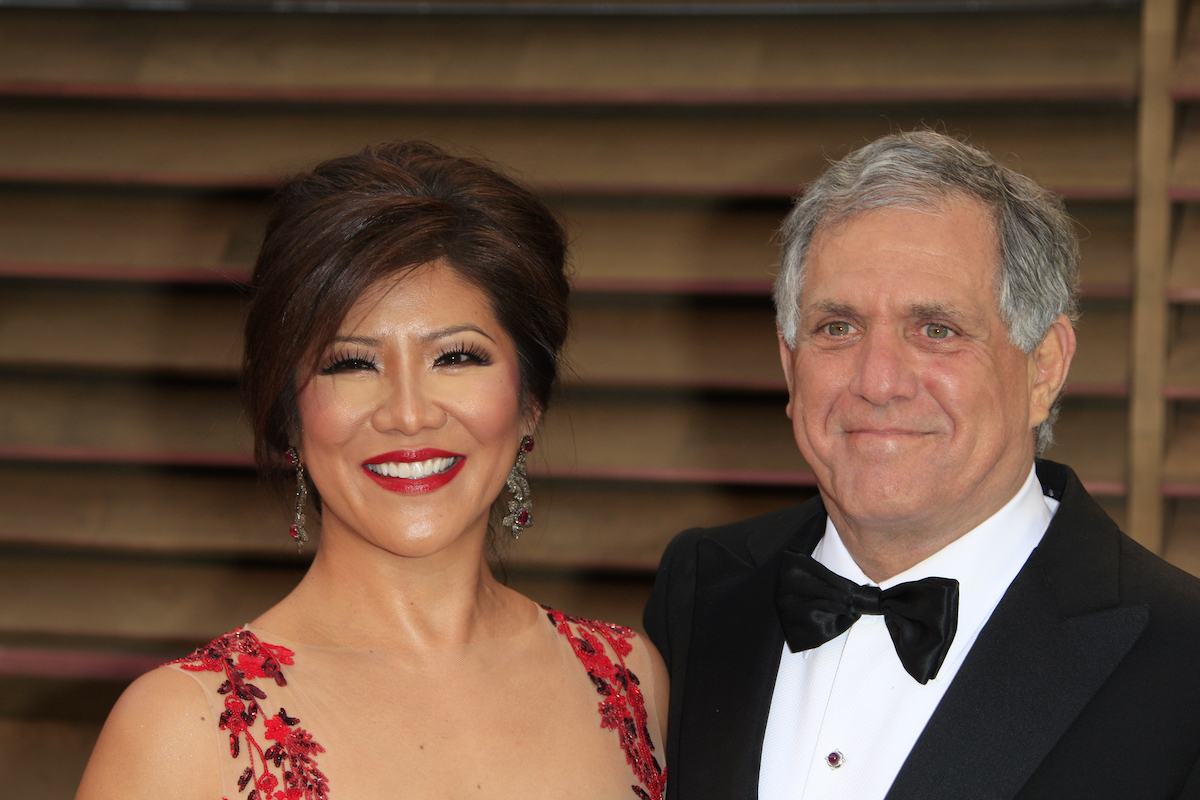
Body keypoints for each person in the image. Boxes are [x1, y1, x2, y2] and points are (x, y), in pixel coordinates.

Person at [76, 141, 667, 800]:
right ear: (289, 415)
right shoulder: (183, 730)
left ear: (529, 402)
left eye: (457, 358)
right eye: (352, 364)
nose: (408, 415)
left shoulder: (630, 679)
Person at [644, 130, 1200, 799]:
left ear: (1044, 368)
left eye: (936, 330)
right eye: (837, 328)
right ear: (791, 365)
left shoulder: (1183, 663)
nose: (878, 382)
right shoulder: (702, 591)